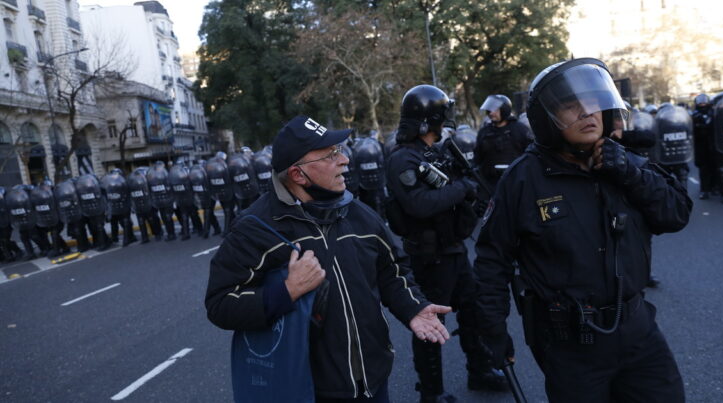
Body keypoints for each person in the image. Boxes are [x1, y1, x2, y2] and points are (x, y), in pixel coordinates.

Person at [474, 58, 691, 402]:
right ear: (547, 120)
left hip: (638, 332)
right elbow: (492, 260)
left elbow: (676, 215)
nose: (587, 113)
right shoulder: (522, 179)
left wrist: (631, 174)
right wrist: (493, 330)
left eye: (593, 103)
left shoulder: (623, 161)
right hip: (570, 344)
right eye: (571, 106)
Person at [205, 115, 451, 402]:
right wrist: (286, 292)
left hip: (375, 379)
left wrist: (413, 307)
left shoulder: (359, 213)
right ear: (298, 175)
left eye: (341, 151)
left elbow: (392, 270)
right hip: (312, 390)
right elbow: (220, 304)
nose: (344, 160)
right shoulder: (255, 229)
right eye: (330, 155)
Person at [386, 85, 508, 402]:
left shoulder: (434, 153)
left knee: (473, 312)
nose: (447, 120)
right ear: (431, 119)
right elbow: (420, 205)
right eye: (443, 114)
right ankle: (431, 393)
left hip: (453, 248)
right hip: (429, 256)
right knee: (432, 325)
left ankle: (480, 371)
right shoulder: (403, 160)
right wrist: (462, 189)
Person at [475, 94, 532, 192]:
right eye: (489, 110)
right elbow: (477, 158)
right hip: (490, 186)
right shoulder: (484, 132)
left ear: (505, 110)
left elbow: (531, 155)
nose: (491, 113)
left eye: (495, 110)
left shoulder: (520, 130)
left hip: (517, 183)